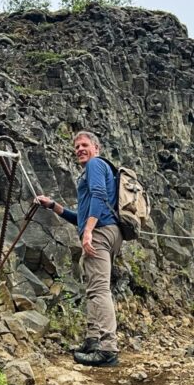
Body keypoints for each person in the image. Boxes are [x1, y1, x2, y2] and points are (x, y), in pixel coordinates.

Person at [35, 131, 122, 367]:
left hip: (101, 231)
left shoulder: (95, 164)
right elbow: (80, 217)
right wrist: (53, 206)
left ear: (96, 148)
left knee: (99, 289)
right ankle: (93, 340)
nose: (79, 149)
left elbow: (98, 195)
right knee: (94, 288)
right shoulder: (100, 169)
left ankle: (107, 349)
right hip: (108, 230)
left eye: (84, 145)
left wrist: (89, 231)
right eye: (76, 147)